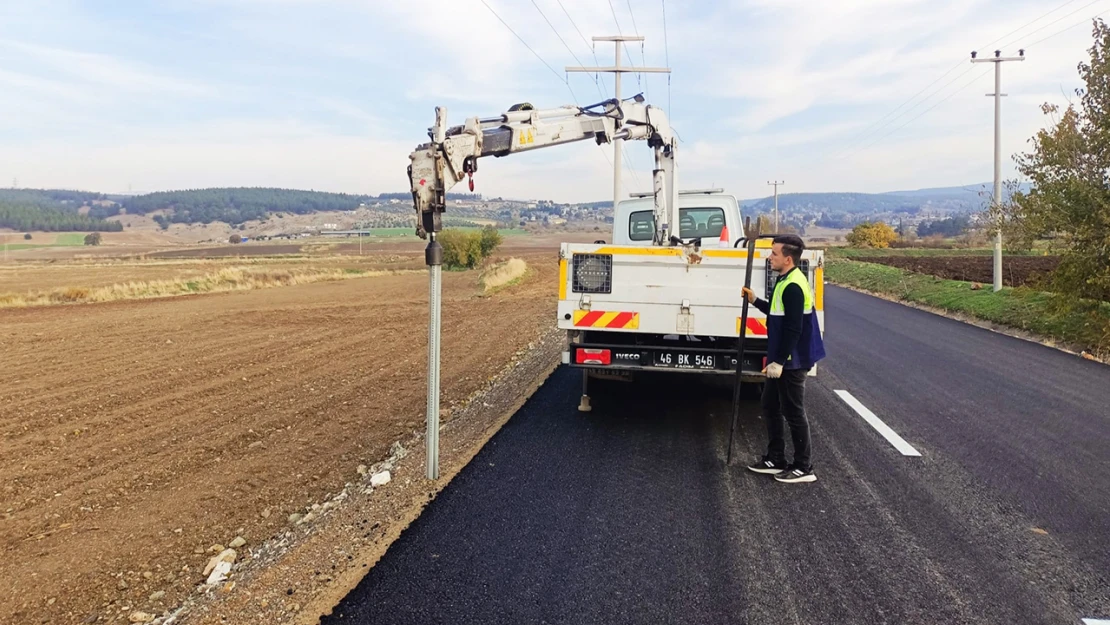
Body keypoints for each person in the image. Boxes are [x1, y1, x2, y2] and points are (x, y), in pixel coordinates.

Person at [740, 234, 826, 484]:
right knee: (769, 404)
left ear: (788, 259)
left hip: (794, 359)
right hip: (784, 356)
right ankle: (775, 458)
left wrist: (779, 361)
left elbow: (794, 329)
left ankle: (803, 467)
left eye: (774, 253)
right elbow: (777, 312)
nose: (770, 257)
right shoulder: (784, 279)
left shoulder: (793, 287)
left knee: (793, 411)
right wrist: (755, 300)